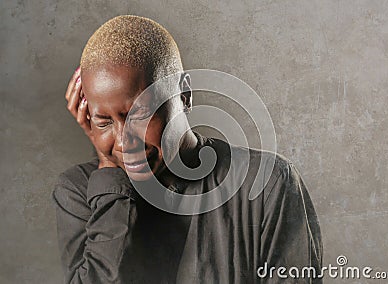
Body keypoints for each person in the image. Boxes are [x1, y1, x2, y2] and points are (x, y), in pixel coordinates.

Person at [52, 15, 323, 283]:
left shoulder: (267, 184)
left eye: (140, 114)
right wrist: (110, 172)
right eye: (104, 122)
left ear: (184, 94)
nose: (124, 142)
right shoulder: (78, 193)